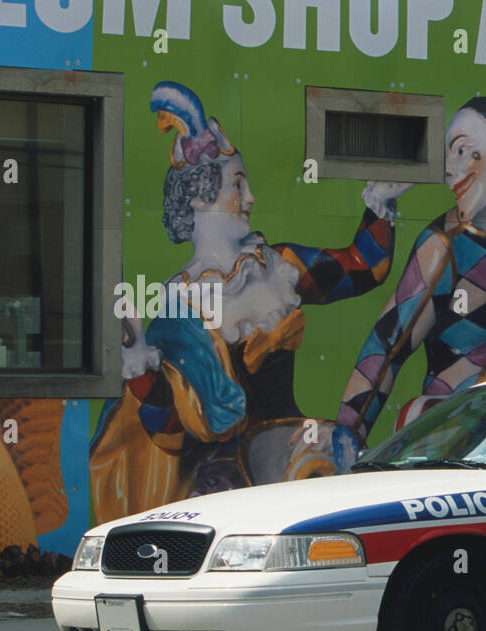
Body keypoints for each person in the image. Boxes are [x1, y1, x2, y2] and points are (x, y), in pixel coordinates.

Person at [90, 81, 404, 522]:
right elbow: (172, 433)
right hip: (223, 476)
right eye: (238, 184)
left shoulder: (278, 266)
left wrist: (379, 205)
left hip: (291, 446)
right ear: (201, 196)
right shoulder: (181, 309)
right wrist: (140, 366)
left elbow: (362, 268)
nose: (252, 198)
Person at [311, 96, 486, 468]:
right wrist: (346, 433)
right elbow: (386, 345)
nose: (450, 169)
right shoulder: (442, 245)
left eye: (464, 150)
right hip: (451, 440)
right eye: (449, 155)